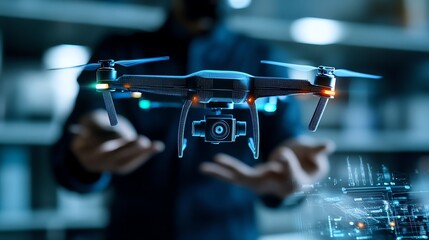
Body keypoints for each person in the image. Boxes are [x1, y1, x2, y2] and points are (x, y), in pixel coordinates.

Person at [51, 0, 334, 239]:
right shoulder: (120, 52)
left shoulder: (264, 58)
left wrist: (293, 183)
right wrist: (85, 155)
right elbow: (74, 140)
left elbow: (288, 144)